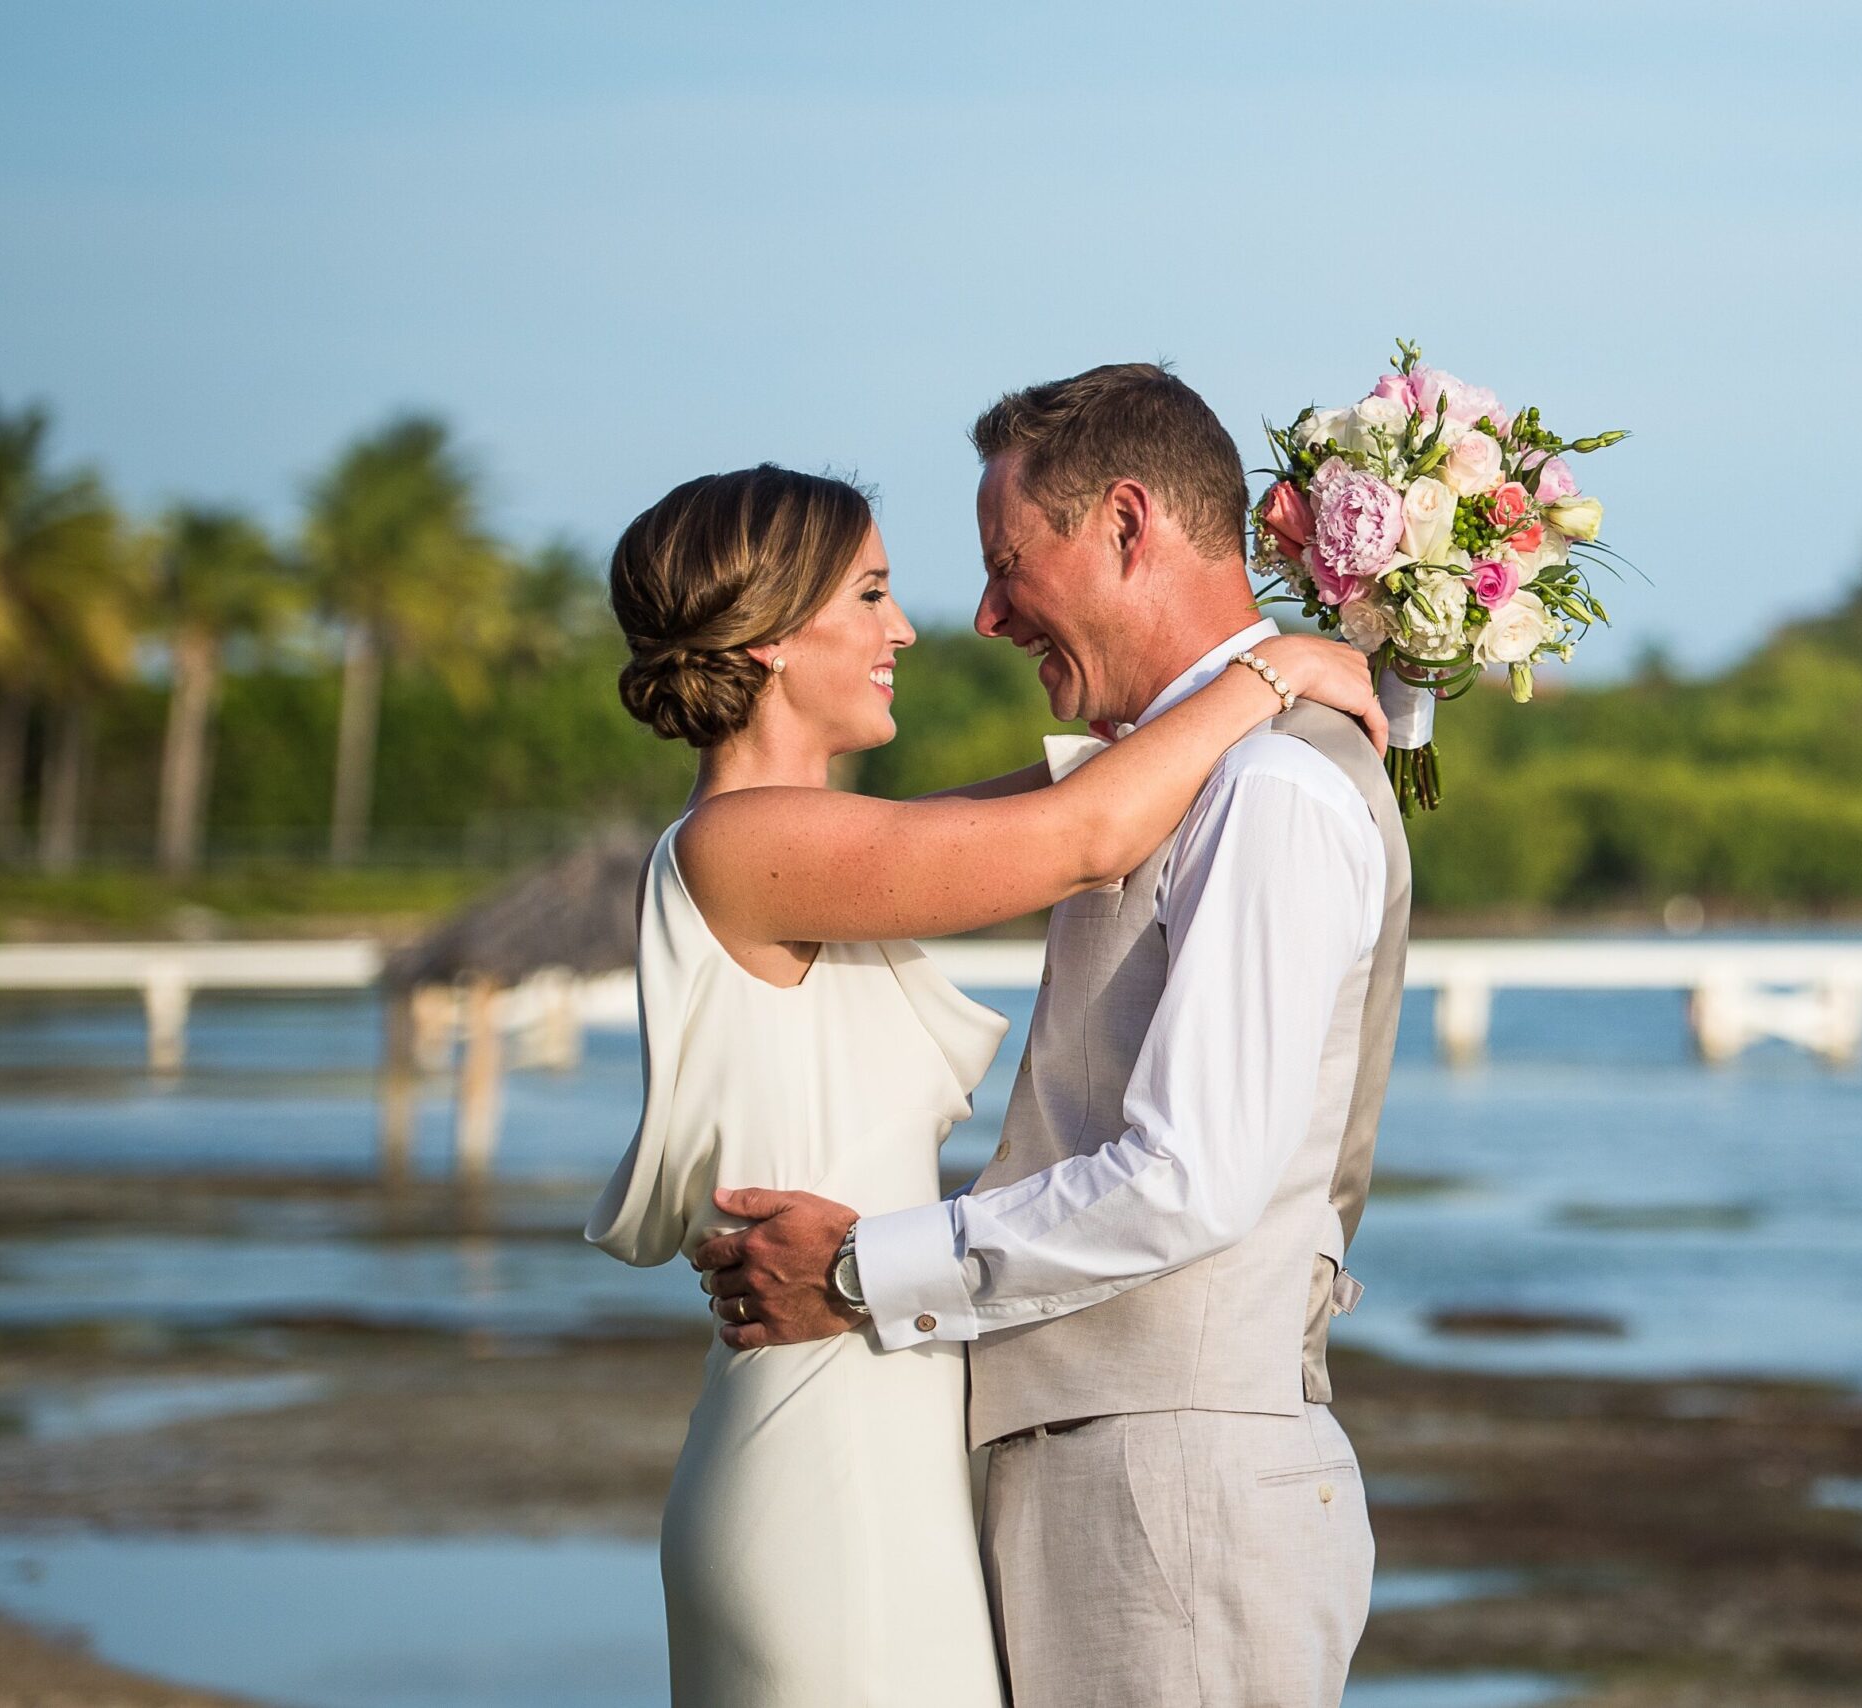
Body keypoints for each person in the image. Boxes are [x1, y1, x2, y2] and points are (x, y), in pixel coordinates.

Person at [583, 457, 1386, 1708]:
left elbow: (1100, 778)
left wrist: (1295, 669)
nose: (907, 626)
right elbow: (1086, 835)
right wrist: (1271, 672)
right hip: (827, 1424)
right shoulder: (744, 845)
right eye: (870, 594)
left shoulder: (824, 840)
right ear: (778, 638)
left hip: (884, 1400)